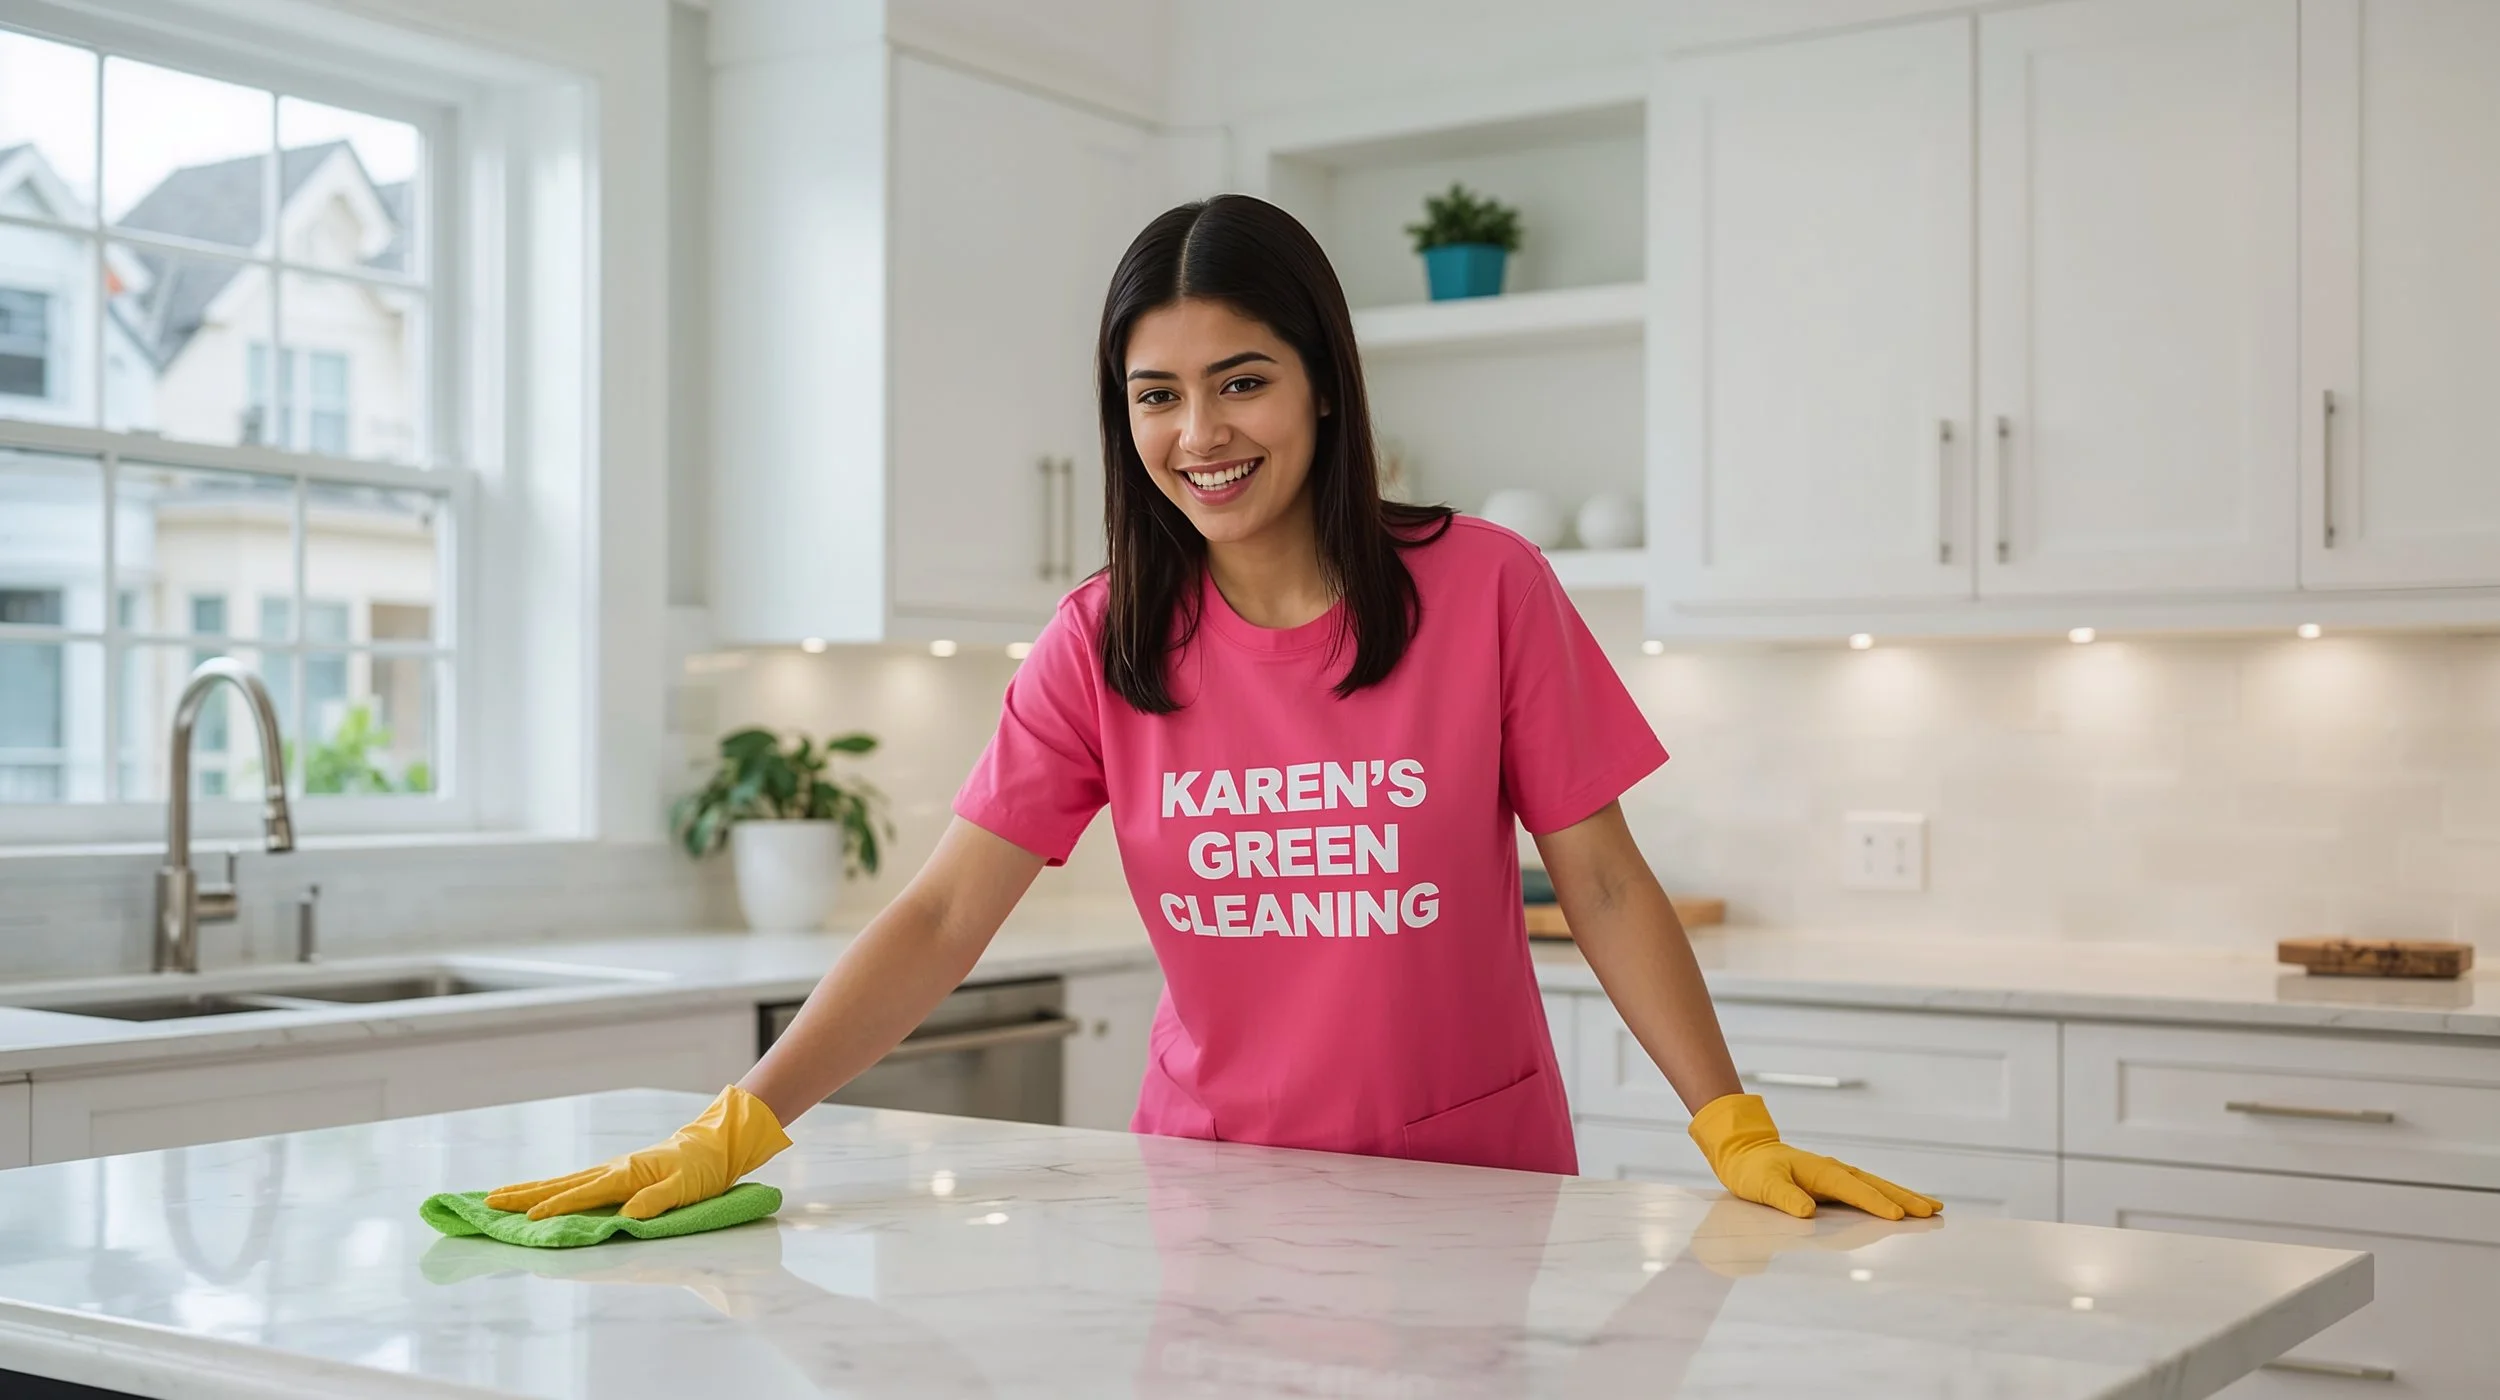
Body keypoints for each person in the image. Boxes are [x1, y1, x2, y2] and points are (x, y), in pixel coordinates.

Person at [488, 195, 1940, 1227]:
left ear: (1323, 386)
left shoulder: (1486, 587)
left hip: (1475, 1187)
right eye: (1156, 395)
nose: (1200, 435)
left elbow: (1607, 882)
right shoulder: (1104, 639)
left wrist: (1728, 1124)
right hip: (1210, 1189)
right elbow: (940, 916)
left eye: (1242, 382)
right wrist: (742, 1120)